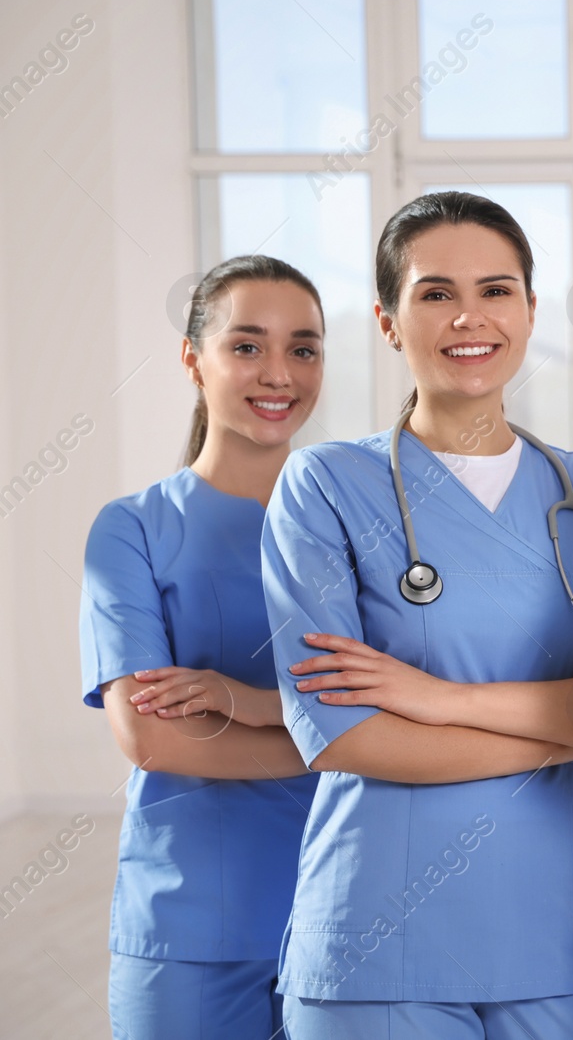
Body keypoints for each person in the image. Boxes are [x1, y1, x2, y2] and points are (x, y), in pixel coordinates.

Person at [260, 191, 573, 1040]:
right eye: (435, 293)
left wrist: (438, 699)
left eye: (496, 290)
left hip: (560, 940)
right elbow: (344, 733)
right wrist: (564, 727)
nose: (469, 316)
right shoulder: (324, 487)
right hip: (376, 946)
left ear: (532, 310)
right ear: (389, 321)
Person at [79, 255, 325, 1039]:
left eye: (304, 348)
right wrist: (353, 745)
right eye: (247, 345)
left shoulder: (357, 524)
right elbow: (152, 734)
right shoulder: (135, 529)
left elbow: (403, 693)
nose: (278, 373)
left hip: (347, 913)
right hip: (189, 926)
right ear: (194, 358)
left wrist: (244, 704)